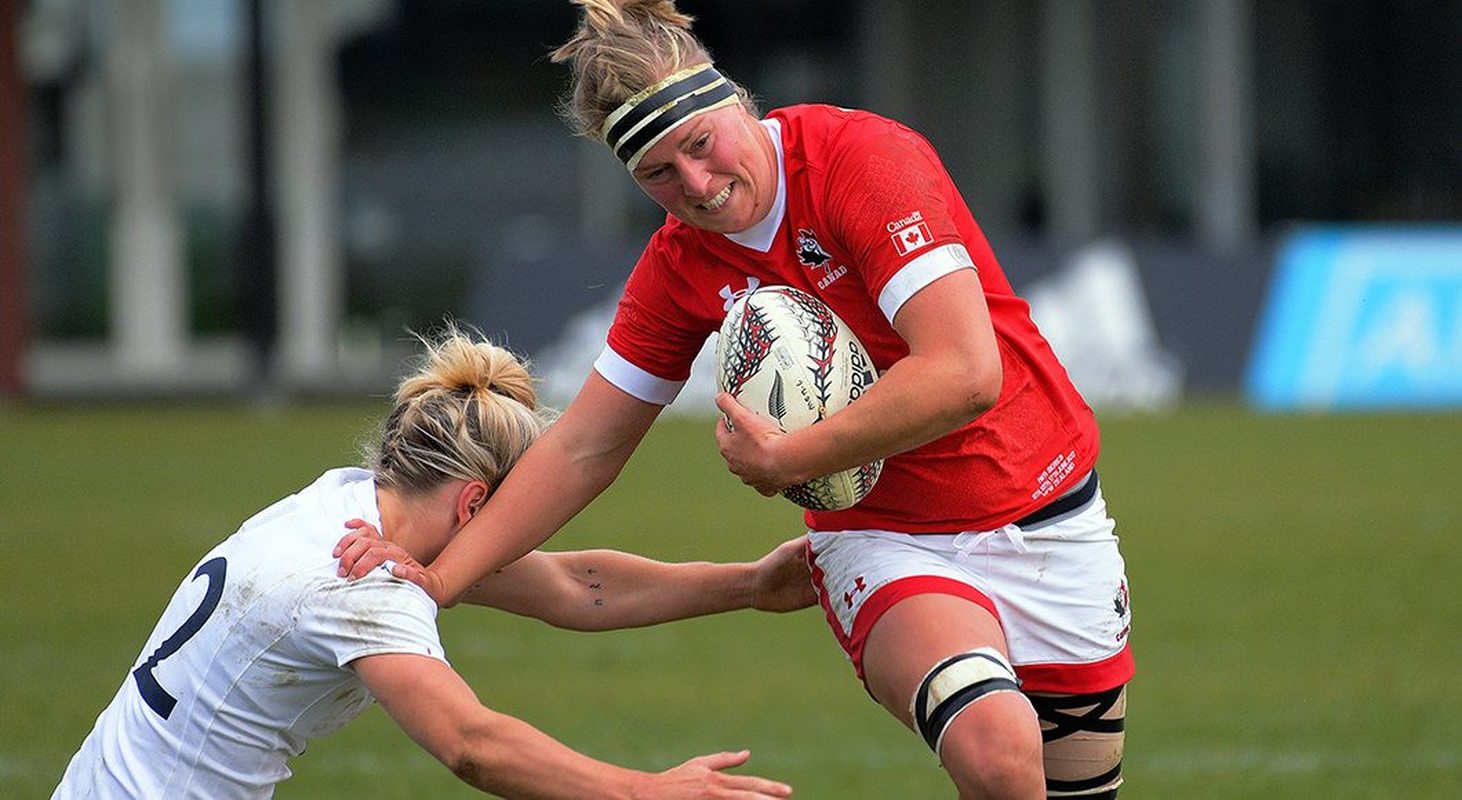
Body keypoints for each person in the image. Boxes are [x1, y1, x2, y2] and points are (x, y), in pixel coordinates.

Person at [338, 2, 1134, 797]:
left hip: (1053, 516)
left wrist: (790, 458)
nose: (695, 184)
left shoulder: (860, 161)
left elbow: (964, 374)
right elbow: (582, 447)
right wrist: (438, 579)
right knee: (997, 751)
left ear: (735, 101)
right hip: (887, 542)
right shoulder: (678, 266)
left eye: (698, 144)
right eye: (656, 173)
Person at [53, 324, 804, 800]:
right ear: (476, 504)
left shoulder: (348, 507)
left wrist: (753, 584)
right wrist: (644, 791)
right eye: (518, 511)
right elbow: (471, 745)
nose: (524, 535)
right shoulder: (362, 585)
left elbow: (571, 586)